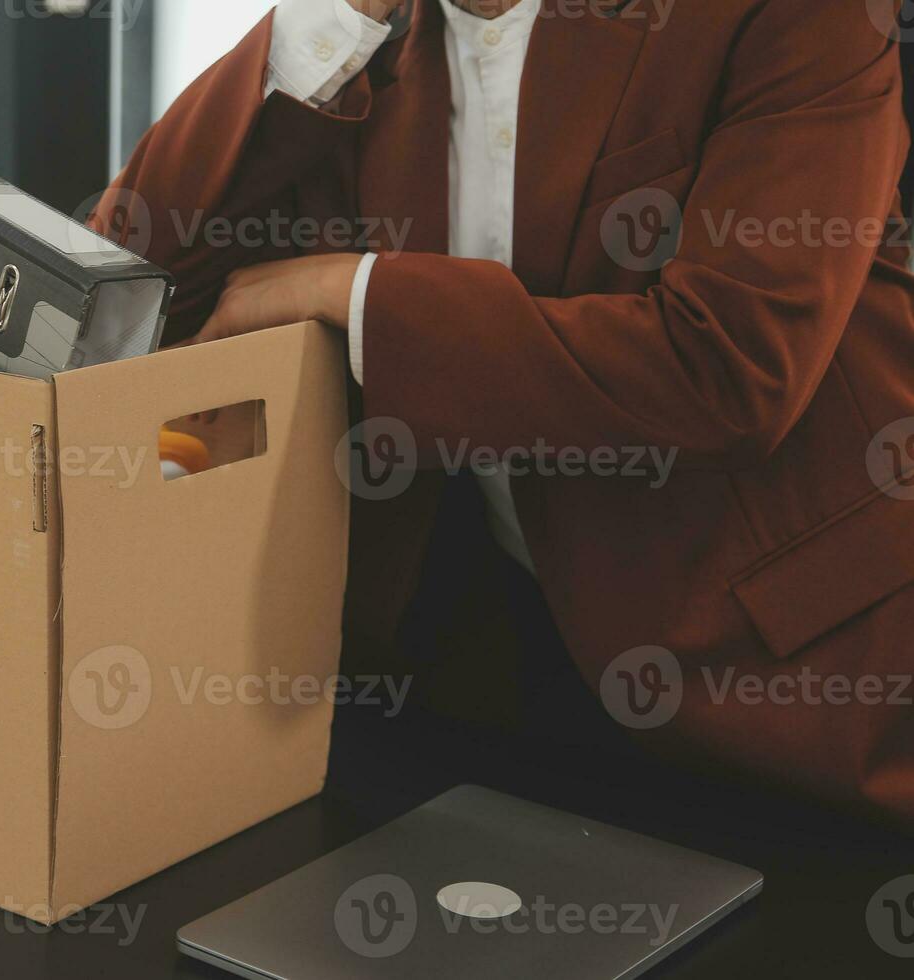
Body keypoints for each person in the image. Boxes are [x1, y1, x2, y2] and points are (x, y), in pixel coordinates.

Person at [94, 0, 914, 826]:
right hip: (481, 674)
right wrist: (330, 22)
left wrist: (354, 288)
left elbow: (730, 370)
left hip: (783, 693)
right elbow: (131, 291)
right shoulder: (368, 47)